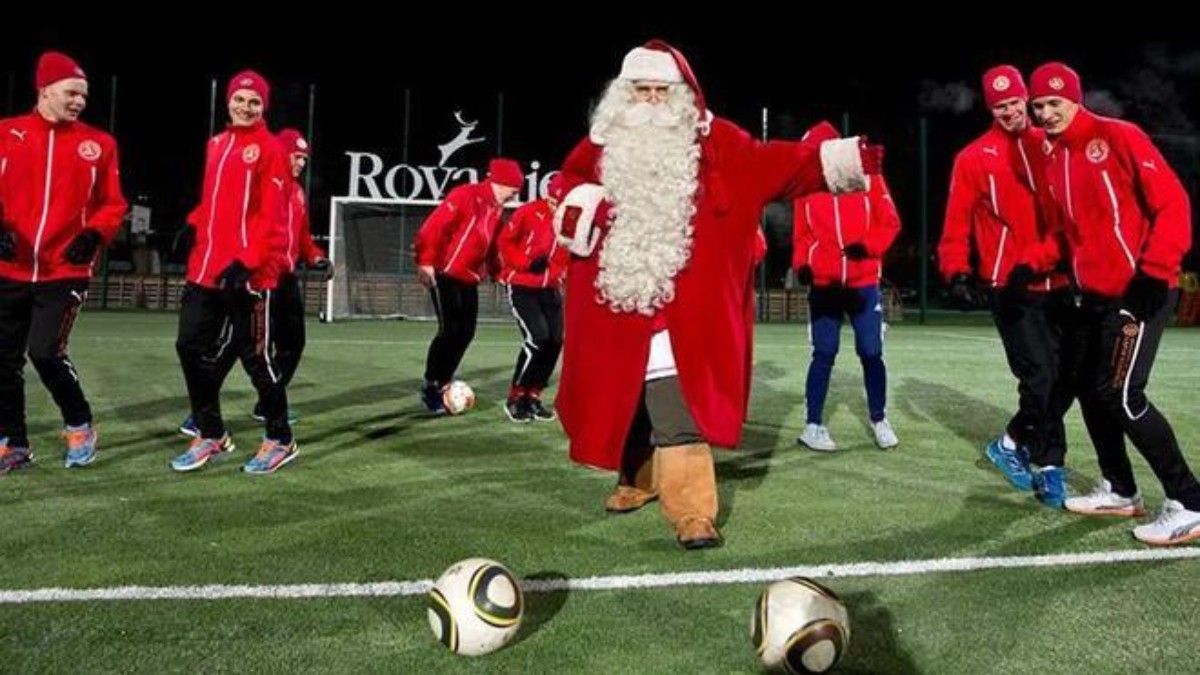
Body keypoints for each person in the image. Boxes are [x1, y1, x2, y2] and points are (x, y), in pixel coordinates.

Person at [554, 40, 883, 548]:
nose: (650, 101)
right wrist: (581, 202)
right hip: (617, 303)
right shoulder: (600, 146)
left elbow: (779, 164)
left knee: (675, 398)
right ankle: (638, 479)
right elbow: (567, 183)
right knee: (628, 394)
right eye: (639, 91)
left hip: (688, 307)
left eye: (661, 91)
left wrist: (838, 160)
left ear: (683, 94)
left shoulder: (721, 146)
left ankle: (691, 511)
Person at [1030, 61, 1200, 544]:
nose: (1045, 112)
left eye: (1053, 103)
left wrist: (1156, 269)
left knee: (1123, 395)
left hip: (1142, 289)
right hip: (1096, 297)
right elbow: (1070, 234)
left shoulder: (1118, 136)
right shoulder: (1053, 157)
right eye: (1038, 104)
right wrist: (1033, 265)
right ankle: (1121, 490)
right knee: (1088, 385)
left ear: (1075, 98)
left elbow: (1172, 204)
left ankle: (1189, 500)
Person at [937, 65, 1075, 506]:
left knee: (1068, 377)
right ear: (990, 108)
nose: (1011, 112)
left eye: (1016, 103)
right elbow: (955, 222)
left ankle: (1018, 447)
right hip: (1009, 285)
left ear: (1026, 100)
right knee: (1040, 376)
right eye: (1001, 106)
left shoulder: (1053, 144)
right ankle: (1048, 463)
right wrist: (956, 271)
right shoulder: (974, 158)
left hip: (1060, 279)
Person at [0, 51, 128, 473]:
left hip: (64, 270)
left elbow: (113, 204)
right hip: (9, 268)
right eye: (72, 92)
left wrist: (95, 234)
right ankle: (13, 443)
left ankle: (79, 424)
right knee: (3, 359)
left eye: (84, 95)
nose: (79, 101)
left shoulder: (100, 145)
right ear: (45, 90)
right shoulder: (6, 133)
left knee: (45, 351)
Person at [172, 69, 294, 475]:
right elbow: (211, 203)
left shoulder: (271, 149)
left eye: (254, 102)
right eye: (240, 99)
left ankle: (280, 438)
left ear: (264, 107)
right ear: (228, 101)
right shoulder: (216, 144)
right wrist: (192, 223)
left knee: (254, 357)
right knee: (189, 346)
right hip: (206, 270)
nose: (245, 107)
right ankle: (212, 433)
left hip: (249, 274)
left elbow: (272, 217)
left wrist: (251, 261)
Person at [792, 171, 901, 452]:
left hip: (863, 283)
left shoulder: (870, 178)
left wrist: (868, 247)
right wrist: (802, 264)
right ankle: (812, 425)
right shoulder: (807, 187)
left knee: (871, 352)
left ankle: (880, 419)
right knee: (824, 352)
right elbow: (801, 235)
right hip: (824, 285)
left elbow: (890, 222)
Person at [413, 158, 523, 412]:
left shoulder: (495, 209)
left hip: (469, 277)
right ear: (501, 182)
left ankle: (444, 380)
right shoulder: (465, 195)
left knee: (467, 331)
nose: (516, 194)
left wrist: (498, 273)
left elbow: (493, 246)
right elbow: (434, 227)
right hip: (445, 272)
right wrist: (426, 261)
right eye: (514, 189)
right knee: (450, 330)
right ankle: (432, 385)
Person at [496, 173, 568, 422]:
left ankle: (533, 395)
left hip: (550, 287)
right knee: (537, 338)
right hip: (522, 285)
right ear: (549, 195)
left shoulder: (570, 217)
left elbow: (567, 251)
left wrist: (560, 274)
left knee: (555, 340)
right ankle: (516, 396)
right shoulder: (528, 212)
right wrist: (525, 263)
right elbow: (505, 242)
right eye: (555, 200)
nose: (557, 206)